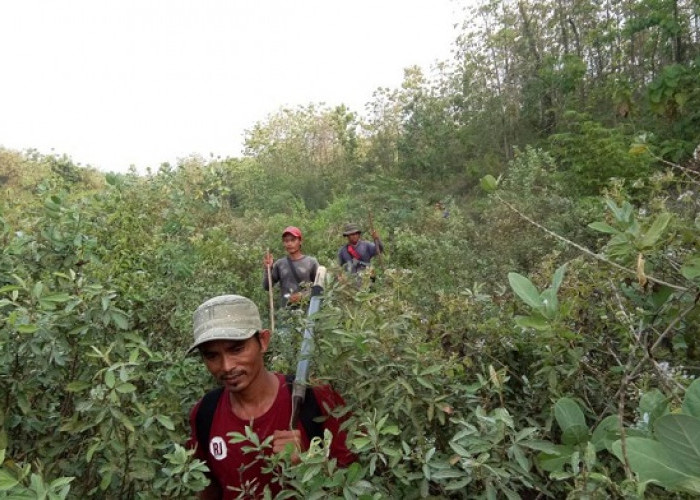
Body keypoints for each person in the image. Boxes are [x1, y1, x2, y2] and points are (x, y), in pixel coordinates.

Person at [187, 295, 355, 499]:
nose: (227, 366)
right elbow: (209, 489)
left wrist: (310, 464)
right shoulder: (205, 413)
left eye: (237, 349)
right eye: (212, 355)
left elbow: (354, 482)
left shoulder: (316, 398)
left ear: (263, 341)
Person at [263, 226, 319, 308]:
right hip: (286, 313)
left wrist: (302, 295)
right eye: (286, 241)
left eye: (293, 240)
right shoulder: (280, 264)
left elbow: (319, 288)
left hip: (307, 312)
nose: (289, 244)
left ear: (300, 241)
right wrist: (268, 268)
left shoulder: (311, 262)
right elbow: (267, 287)